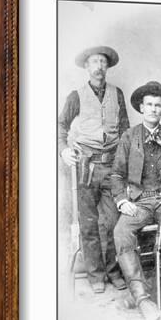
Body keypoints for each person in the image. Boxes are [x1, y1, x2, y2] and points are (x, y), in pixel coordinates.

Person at [111, 81, 161, 320]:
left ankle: (153, 287)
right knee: (121, 232)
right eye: (149, 105)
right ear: (141, 108)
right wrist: (122, 200)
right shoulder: (129, 136)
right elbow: (116, 174)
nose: (154, 109)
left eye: (158, 105)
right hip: (140, 201)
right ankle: (143, 299)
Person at [58, 46, 129, 293]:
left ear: (107, 67)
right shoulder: (75, 96)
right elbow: (60, 126)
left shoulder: (116, 94)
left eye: (103, 62)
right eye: (94, 62)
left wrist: (123, 161)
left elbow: (125, 131)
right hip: (86, 166)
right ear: (87, 67)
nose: (99, 66)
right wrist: (63, 149)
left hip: (111, 166)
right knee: (88, 223)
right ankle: (95, 275)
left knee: (111, 222)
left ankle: (113, 271)